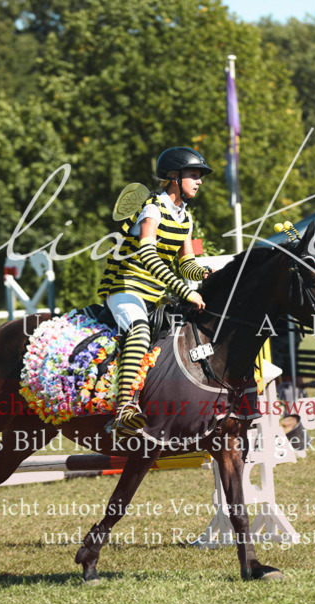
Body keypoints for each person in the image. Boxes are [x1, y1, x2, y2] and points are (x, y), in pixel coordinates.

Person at [97, 146, 212, 439]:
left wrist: (206, 274)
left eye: (199, 176)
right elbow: (148, 256)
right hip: (126, 288)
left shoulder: (185, 218)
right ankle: (124, 409)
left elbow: (186, 264)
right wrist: (184, 291)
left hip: (154, 295)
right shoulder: (152, 209)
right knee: (138, 330)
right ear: (174, 177)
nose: (199, 181)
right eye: (193, 175)